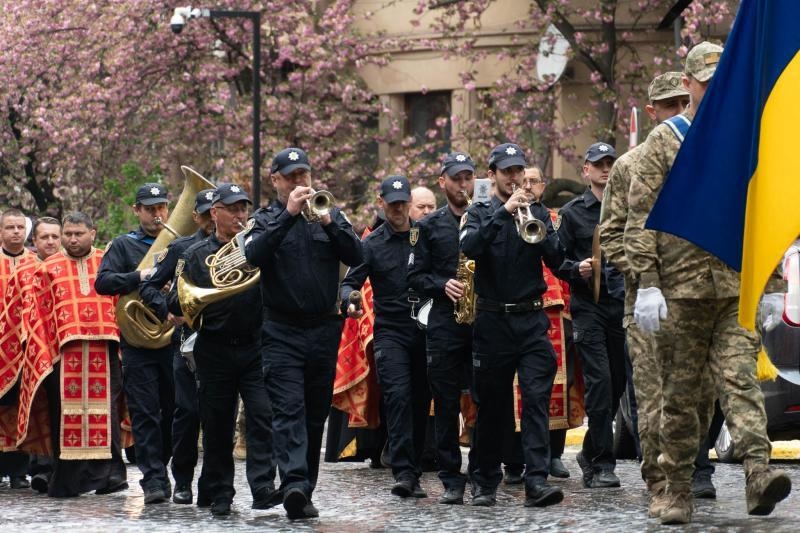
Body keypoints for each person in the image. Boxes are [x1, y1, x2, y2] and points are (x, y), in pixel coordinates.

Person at [623, 41, 791, 524]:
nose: (714, 91)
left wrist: (769, 283)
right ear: (689, 84)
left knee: (740, 382)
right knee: (680, 399)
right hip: (679, 293)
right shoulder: (665, 142)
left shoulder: (746, 140)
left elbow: (765, 212)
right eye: (704, 83)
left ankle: (758, 472)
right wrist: (647, 283)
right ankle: (676, 490)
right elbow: (640, 217)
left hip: (734, 290)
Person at [598, 72, 722, 507]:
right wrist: (647, 274)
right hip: (648, 303)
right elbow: (612, 233)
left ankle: (695, 471)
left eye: (684, 102)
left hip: (699, 298)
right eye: (669, 106)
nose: (679, 112)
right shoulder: (630, 165)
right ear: (653, 112)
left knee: (701, 395)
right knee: (652, 402)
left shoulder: (710, 154)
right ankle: (659, 483)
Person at [243, 147, 362, 519]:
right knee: (288, 409)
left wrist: (328, 222)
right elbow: (253, 256)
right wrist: (289, 215)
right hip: (281, 330)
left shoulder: (329, 214)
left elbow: (357, 254)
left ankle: (303, 489)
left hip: (325, 328)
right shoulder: (265, 219)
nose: (299, 182)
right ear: (275, 180)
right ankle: (293, 481)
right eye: (291, 176)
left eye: (303, 175)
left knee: (313, 415)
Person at [460, 142, 565, 508]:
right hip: (493, 322)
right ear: (492, 175)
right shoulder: (478, 212)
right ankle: (485, 481)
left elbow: (556, 259)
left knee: (536, 400)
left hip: (531, 320)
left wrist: (544, 229)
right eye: (507, 172)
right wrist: (504, 214)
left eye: (519, 170)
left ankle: (536, 482)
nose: (515, 177)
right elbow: (471, 247)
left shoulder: (537, 211)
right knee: (492, 405)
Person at [168, 183, 278, 516]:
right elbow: (175, 301)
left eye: (243, 208)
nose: (239, 215)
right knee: (217, 424)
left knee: (262, 414)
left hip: (254, 346)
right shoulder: (195, 254)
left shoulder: (255, 248)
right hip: (214, 348)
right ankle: (220, 491)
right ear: (215, 213)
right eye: (232, 209)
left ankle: (262, 487)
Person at [16, 212, 128, 497]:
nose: (73, 239)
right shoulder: (48, 267)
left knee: (108, 411)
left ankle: (110, 476)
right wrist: (44, 354)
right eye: (68, 234)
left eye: (79, 234)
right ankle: (68, 479)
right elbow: (38, 313)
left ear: (93, 233)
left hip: (106, 348)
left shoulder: (107, 261)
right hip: (64, 355)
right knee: (65, 414)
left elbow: (122, 303)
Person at [341, 175, 430, 499]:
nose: (398, 209)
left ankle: (415, 467)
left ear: (409, 202)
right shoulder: (372, 243)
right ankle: (404, 472)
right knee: (398, 397)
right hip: (391, 331)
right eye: (392, 204)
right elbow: (349, 282)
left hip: (426, 329)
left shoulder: (426, 236)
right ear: (381, 204)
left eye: (402, 203)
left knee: (421, 401)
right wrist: (349, 300)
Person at [95, 183, 175, 504]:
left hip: (172, 337)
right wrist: (139, 277)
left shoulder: (179, 242)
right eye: (150, 208)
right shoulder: (124, 245)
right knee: (145, 412)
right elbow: (103, 282)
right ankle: (153, 478)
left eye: (161, 207)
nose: (157, 214)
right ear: (136, 210)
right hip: (138, 341)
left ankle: (161, 465)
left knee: (176, 410)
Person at [556, 142, 627, 489]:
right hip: (588, 307)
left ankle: (589, 450)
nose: (606, 169)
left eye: (610, 163)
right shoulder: (572, 213)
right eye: (599, 164)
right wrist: (576, 269)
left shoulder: (627, 207)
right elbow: (556, 260)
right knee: (599, 382)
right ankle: (601, 464)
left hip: (621, 304)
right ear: (586, 170)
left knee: (618, 382)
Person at [408, 152, 476, 504]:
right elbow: (414, 276)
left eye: (468, 177)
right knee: (447, 404)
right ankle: (451, 477)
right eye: (456, 178)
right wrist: (441, 284)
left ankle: (483, 473)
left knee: (486, 400)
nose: (463, 184)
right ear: (442, 182)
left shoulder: (487, 218)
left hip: (482, 323)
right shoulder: (427, 226)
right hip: (445, 324)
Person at [140, 188, 215, 505]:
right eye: (207, 213)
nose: (213, 218)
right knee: (187, 413)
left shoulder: (241, 247)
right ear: (196, 217)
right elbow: (149, 285)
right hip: (187, 344)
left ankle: (213, 484)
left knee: (217, 416)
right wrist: (167, 310)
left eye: (217, 211)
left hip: (226, 341)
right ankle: (182, 480)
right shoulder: (181, 247)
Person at [0, 208, 35, 489]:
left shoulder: (36, 263)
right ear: (1, 231)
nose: (15, 232)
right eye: (9, 227)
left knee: (23, 407)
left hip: (26, 349)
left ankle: (19, 472)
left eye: (19, 228)